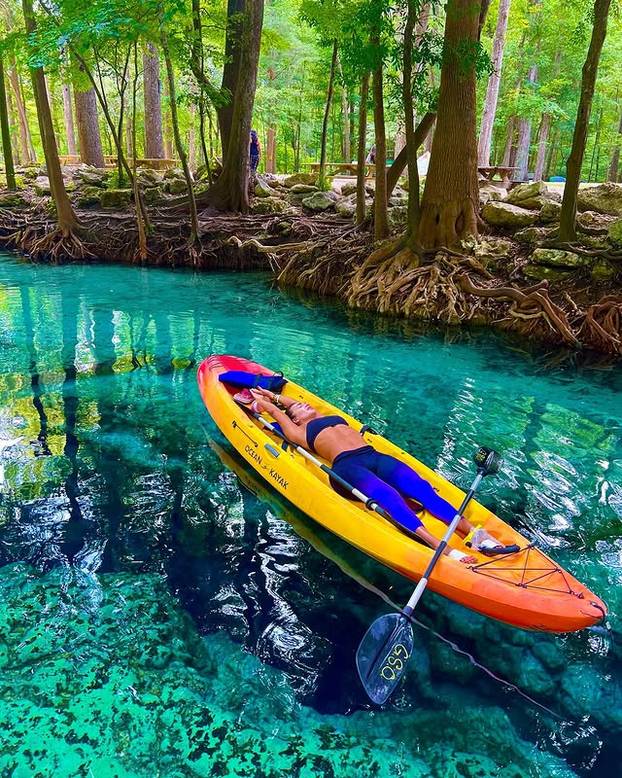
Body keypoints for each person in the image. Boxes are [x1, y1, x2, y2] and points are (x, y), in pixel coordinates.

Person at [248, 388, 518, 564]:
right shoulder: (299, 432)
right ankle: (443, 549)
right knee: (389, 497)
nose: (304, 405)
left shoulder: (326, 415)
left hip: (373, 455)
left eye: (304, 404)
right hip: (347, 468)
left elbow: (291, 404)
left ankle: (475, 536)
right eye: (298, 408)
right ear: (294, 419)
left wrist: (274, 395)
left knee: (423, 491)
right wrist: (266, 404)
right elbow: (279, 415)